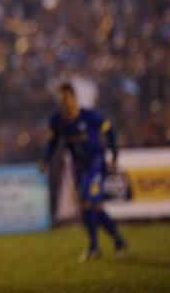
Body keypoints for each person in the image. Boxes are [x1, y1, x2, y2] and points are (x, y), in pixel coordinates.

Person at [39, 82, 127, 262]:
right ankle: (118, 241)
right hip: (78, 166)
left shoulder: (90, 116)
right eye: (62, 99)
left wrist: (115, 155)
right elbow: (52, 143)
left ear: (75, 99)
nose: (65, 103)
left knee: (87, 203)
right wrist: (45, 160)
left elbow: (110, 133)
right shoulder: (56, 120)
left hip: (96, 163)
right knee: (95, 207)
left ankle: (94, 248)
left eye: (68, 98)